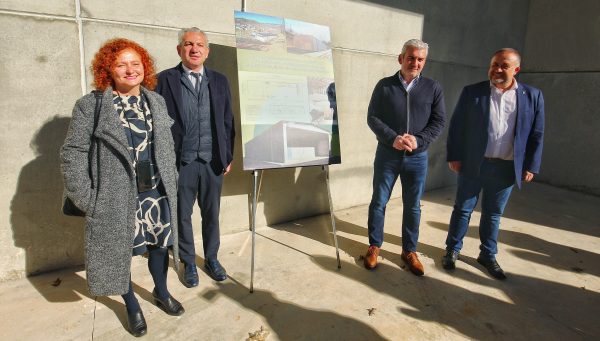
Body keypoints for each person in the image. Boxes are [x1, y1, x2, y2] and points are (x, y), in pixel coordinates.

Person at [61, 38, 184, 337]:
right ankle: (131, 303)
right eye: (121, 64)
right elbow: (72, 152)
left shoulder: (155, 100)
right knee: (119, 252)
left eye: (136, 63)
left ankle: (160, 291)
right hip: (115, 196)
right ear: (108, 69)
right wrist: (88, 199)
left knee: (158, 246)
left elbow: (166, 146)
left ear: (145, 68)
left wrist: (172, 180)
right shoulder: (91, 105)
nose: (130, 70)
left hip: (156, 192)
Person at [442, 48, 545, 280]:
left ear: (516, 69)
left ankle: (487, 255)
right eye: (494, 65)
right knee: (462, 209)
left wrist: (531, 165)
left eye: (504, 66)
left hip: (506, 167)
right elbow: (457, 127)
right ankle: (452, 250)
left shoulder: (533, 95)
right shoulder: (473, 92)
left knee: (493, 214)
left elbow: (537, 133)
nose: (497, 70)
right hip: (473, 164)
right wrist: (454, 156)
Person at [156, 27, 235, 287]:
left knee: (212, 213)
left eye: (200, 44)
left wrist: (228, 155)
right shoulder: (163, 80)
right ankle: (188, 261)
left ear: (207, 51)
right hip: (182, 162)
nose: (194, 49)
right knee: (182, 215)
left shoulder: (220, 80)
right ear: (180, 49)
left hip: (213, 161)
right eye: (188, 44)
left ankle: (211, 258)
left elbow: (227, 121)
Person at [365, 39, 446, 276]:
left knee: (413, 206)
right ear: (401, 58)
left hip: (417, 158)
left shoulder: (433, 88)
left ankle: (409, 250)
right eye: (411, 57)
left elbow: (439, 121)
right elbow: (373, 117)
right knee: (379, 201)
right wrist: (393, 138)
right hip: (387, 155)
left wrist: (418, 140)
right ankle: (374, 245)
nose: (415, 63)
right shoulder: (384, 86)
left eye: (420, 59)